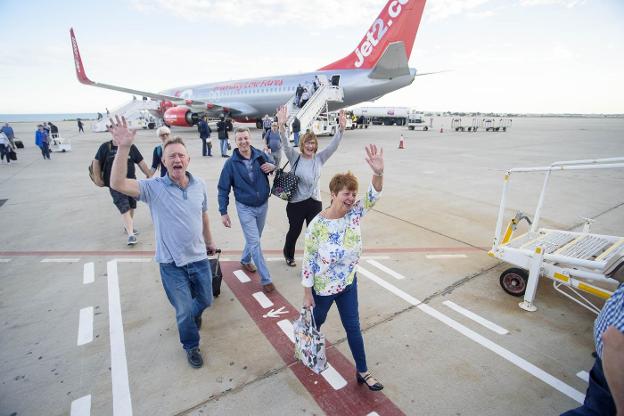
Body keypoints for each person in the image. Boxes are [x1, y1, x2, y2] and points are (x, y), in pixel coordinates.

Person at [108, 116, 216, 369]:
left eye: (181, 155)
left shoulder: (199, 184)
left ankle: (193, 315)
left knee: (206, 301)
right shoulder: (153, 188)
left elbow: (203, 216)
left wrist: (210, 242)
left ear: (188, 159)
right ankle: (191, 345)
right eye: (171, 157)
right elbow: (117, 183)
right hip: (171, 264)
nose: (177, 160)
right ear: (164, 162)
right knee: (183, 311)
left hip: (199, 258)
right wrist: (123, 148)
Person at [301, 144, 385, 392]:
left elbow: (374, 194)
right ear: (334, 194)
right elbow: (309, 259)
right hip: (323, 288)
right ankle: (306, 347)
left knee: (353, 327)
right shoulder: (317, 225)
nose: (351, 198)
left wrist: (378, 173)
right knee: (315, 323)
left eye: (353, 193)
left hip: (348, 283)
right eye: (346, 194)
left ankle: (363, 371)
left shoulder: (355, 214)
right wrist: (307, 293)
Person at [277, 106, 345, 267]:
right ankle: (289, 254)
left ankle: (313, 259)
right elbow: (286, 144)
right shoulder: (295, 157)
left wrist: (341, 129)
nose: (310, 146)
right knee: (295, 231)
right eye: (307, 143)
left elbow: (332, 146)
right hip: (296, 203)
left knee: (315, 233)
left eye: (313, 143)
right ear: (302, 144)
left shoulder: (319, 159)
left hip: (314, 202)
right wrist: (281, 126)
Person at [217, 127, 277, 294]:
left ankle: (245, 259)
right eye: (239, 139)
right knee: (255, 242)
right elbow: (223, 189)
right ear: (235, 142)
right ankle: (266, 279)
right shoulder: (230, 164)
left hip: (263, 205)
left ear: (250, 139)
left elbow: (272, 167)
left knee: (254, 239)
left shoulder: (259, 155)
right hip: (245, 207)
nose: (243, 142)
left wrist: (272, 166)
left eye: (245, 138)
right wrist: (223, 211)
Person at [562, 282, 624, 416]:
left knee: (595, 407)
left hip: (608, 352)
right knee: (595, 411)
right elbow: (615, 341)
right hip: (613, 357)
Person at [91, 127, 151, 245]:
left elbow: (140, 162)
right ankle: (130, 234)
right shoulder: (105, 147)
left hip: (130, 183)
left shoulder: (131, 147)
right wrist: (97, 178)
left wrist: (148, 173)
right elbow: (96, 162)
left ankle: (128, 226)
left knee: (132, 206)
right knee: (124, 207)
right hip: (115, 185)